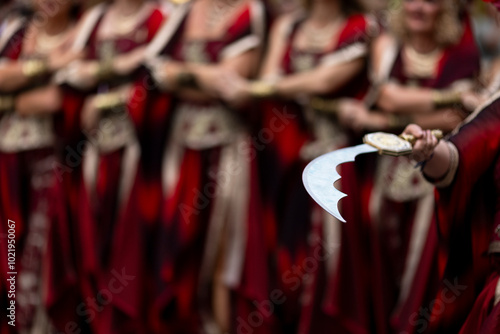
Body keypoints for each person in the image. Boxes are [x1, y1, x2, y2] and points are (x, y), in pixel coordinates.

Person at [215, 0, 377, 332]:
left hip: (340, 163)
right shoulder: (287, 26)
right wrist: (266, 86)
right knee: (285, 256)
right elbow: (272, 74)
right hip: (287, 156)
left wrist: (257, 88)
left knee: (329, 260)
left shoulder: (361, 27)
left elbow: (326, 81)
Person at [142, 0, 272, 333]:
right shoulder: (185, 11)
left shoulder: (250, 10)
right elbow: (155, 68)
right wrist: (202, 76)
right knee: (180, 245)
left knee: (224, 254)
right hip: (180, 147)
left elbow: (230, 85)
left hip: (227, 148)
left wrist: (180, 74)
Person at [53, 0, 164, 332]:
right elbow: (70, 71)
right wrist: (122, 68)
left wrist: (106, 97)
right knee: (92, 237)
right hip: (95, 149)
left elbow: (158, 71)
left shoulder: (161, 18)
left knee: (133, 244)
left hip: (142, 151)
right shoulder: (96, 19)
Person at [0, 0, 81, 332]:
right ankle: (11, 322)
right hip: (7, 158)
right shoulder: (16, 31)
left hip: (50, 162)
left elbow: (53, 100)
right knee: (7, 247)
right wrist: (48, 65)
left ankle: (34, 325)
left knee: (39, 252)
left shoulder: (80, 33)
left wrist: (10, 98)